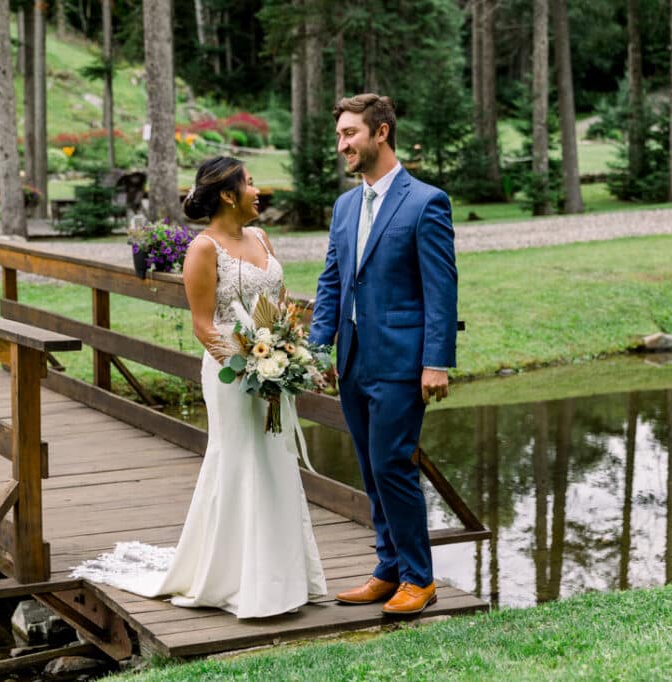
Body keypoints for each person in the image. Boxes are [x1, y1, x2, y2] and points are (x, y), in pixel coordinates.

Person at [72, 157, 326, 618]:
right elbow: (203, 326)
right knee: (240, 461)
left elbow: (280, 306)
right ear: (228, 195)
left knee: (275, 461)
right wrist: (249, 365)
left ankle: (284, 579)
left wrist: (288, 354)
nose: (257, 191)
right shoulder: (203, 249)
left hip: (272, 364)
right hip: (232, 375)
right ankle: (235, 579)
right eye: (249, 184)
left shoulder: (262, 238)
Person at [310, 94, 458, 616]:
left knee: (393, 464)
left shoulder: (426, 202)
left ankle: (420, 578)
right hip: (352, 361)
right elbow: (332, 280)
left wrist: (435, 362)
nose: (342, 145)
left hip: (400, 360)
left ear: (381, 132)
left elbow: (441, 290)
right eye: (339, 136)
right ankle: (387, 569)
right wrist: (316, 347)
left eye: (350, 134)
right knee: (371, 469)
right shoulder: (345, 206)